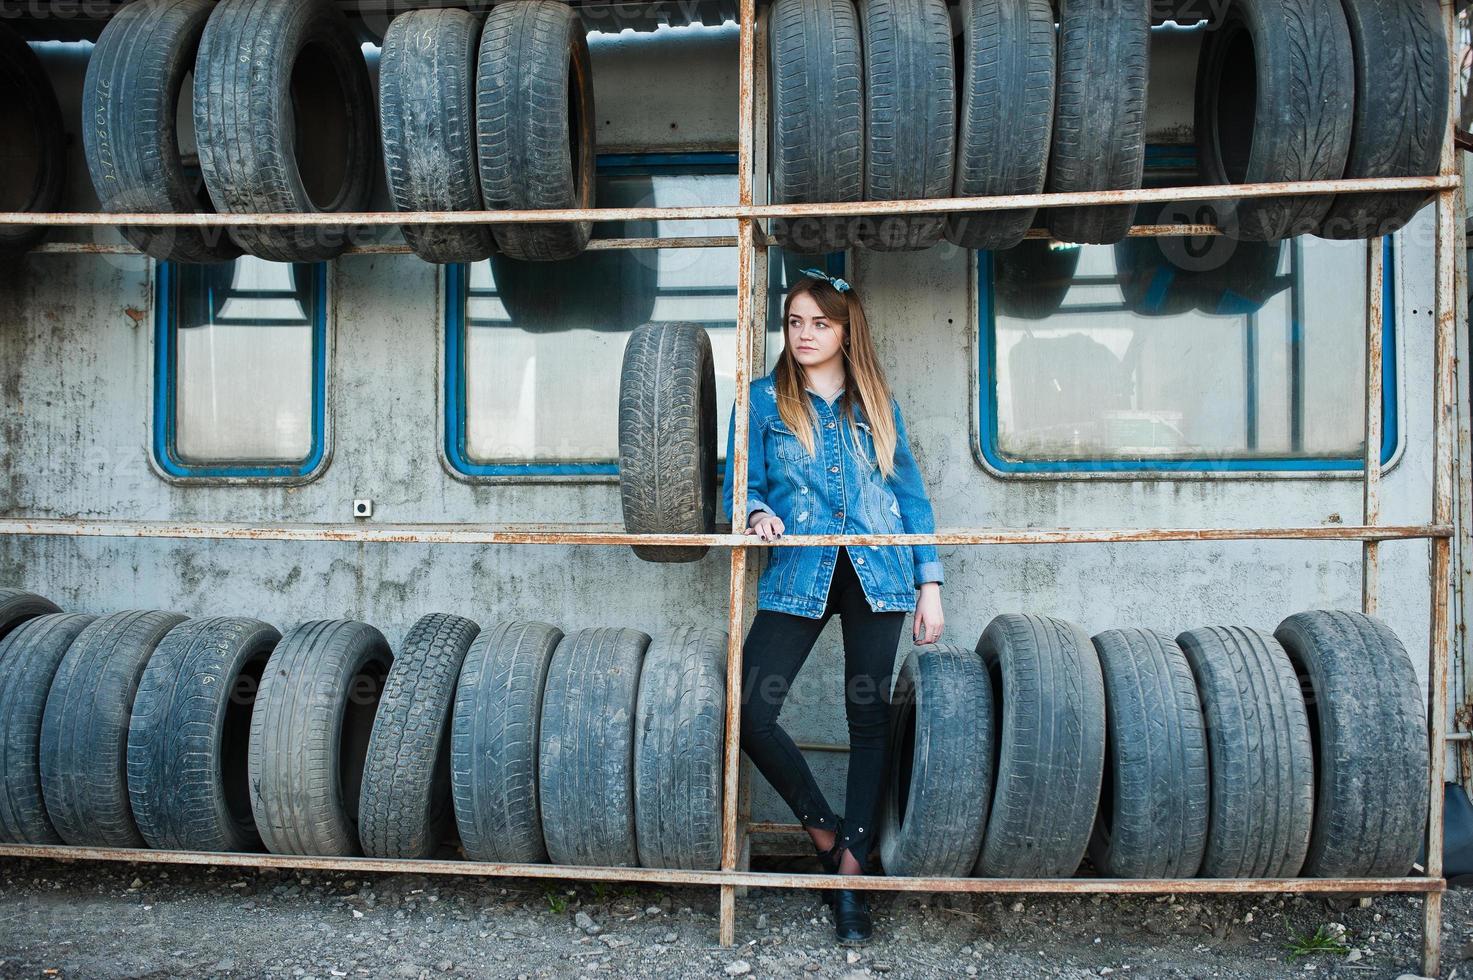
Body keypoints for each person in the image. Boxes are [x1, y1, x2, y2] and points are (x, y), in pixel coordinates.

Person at [721, 268, 945, 945]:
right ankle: (825, 833)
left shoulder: (877, 401)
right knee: (749, 709)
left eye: (819, 322)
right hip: (800, 568)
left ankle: (850, 872)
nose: (804, 334)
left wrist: (929, 584)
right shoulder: (760, 401)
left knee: (867, 718)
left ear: (846, 331)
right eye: (794, 322)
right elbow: (739, 480)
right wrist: (756, 512)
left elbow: (911, 498)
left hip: (880, 573)